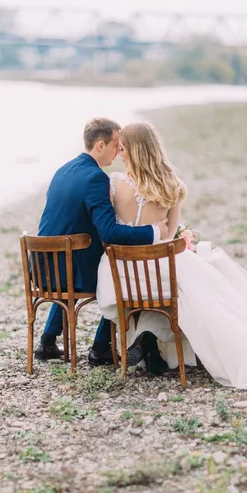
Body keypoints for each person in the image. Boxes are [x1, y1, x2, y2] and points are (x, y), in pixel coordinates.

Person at [96, 122, 247, 396]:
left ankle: (147, 342)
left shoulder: (114, 184)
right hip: (159, 267)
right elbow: (171, 239)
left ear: (133, 151)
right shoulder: (173, 186)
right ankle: (158, 344)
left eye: (123, 148)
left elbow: (110, 231)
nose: (120, 153)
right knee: (196, 289)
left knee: (184, 288)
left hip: (122, 274)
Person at [34, 117, 169, 367]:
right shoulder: (96, 178)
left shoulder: (64, 169)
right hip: (68, 269)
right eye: (116, 146)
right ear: (100, 145)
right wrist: (153, 232)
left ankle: (47, 341)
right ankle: (100, 348)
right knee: (120, 276)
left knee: (91, 264)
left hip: (44, 268)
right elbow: (109, 232)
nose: (118, 153)